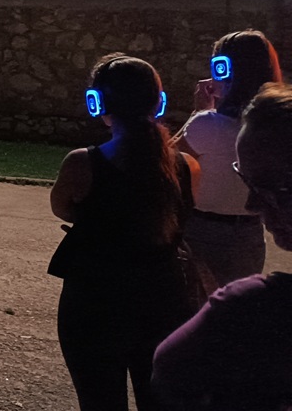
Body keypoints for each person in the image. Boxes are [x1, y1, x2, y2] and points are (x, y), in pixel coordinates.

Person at [49, 54, 200, 411]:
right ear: (158, 103)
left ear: (97, 102)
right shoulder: (186, 167)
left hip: (94, 302)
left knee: (99, 401)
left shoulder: (81, 163)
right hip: (164, 300)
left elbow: (63, 207)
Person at [152, 82, 292, 411]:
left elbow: (171, 375)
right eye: (245, 179)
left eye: (275, 187)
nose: (251, 203)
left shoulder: (256, 310)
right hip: (245, 241)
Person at [172, 30, 282, 286]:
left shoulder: (209, 125)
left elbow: (165, 159)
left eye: (217, 66)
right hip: (250, 233)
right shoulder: (272, 124)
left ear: (230, 71)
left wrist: (197, 111)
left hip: (202, 231)